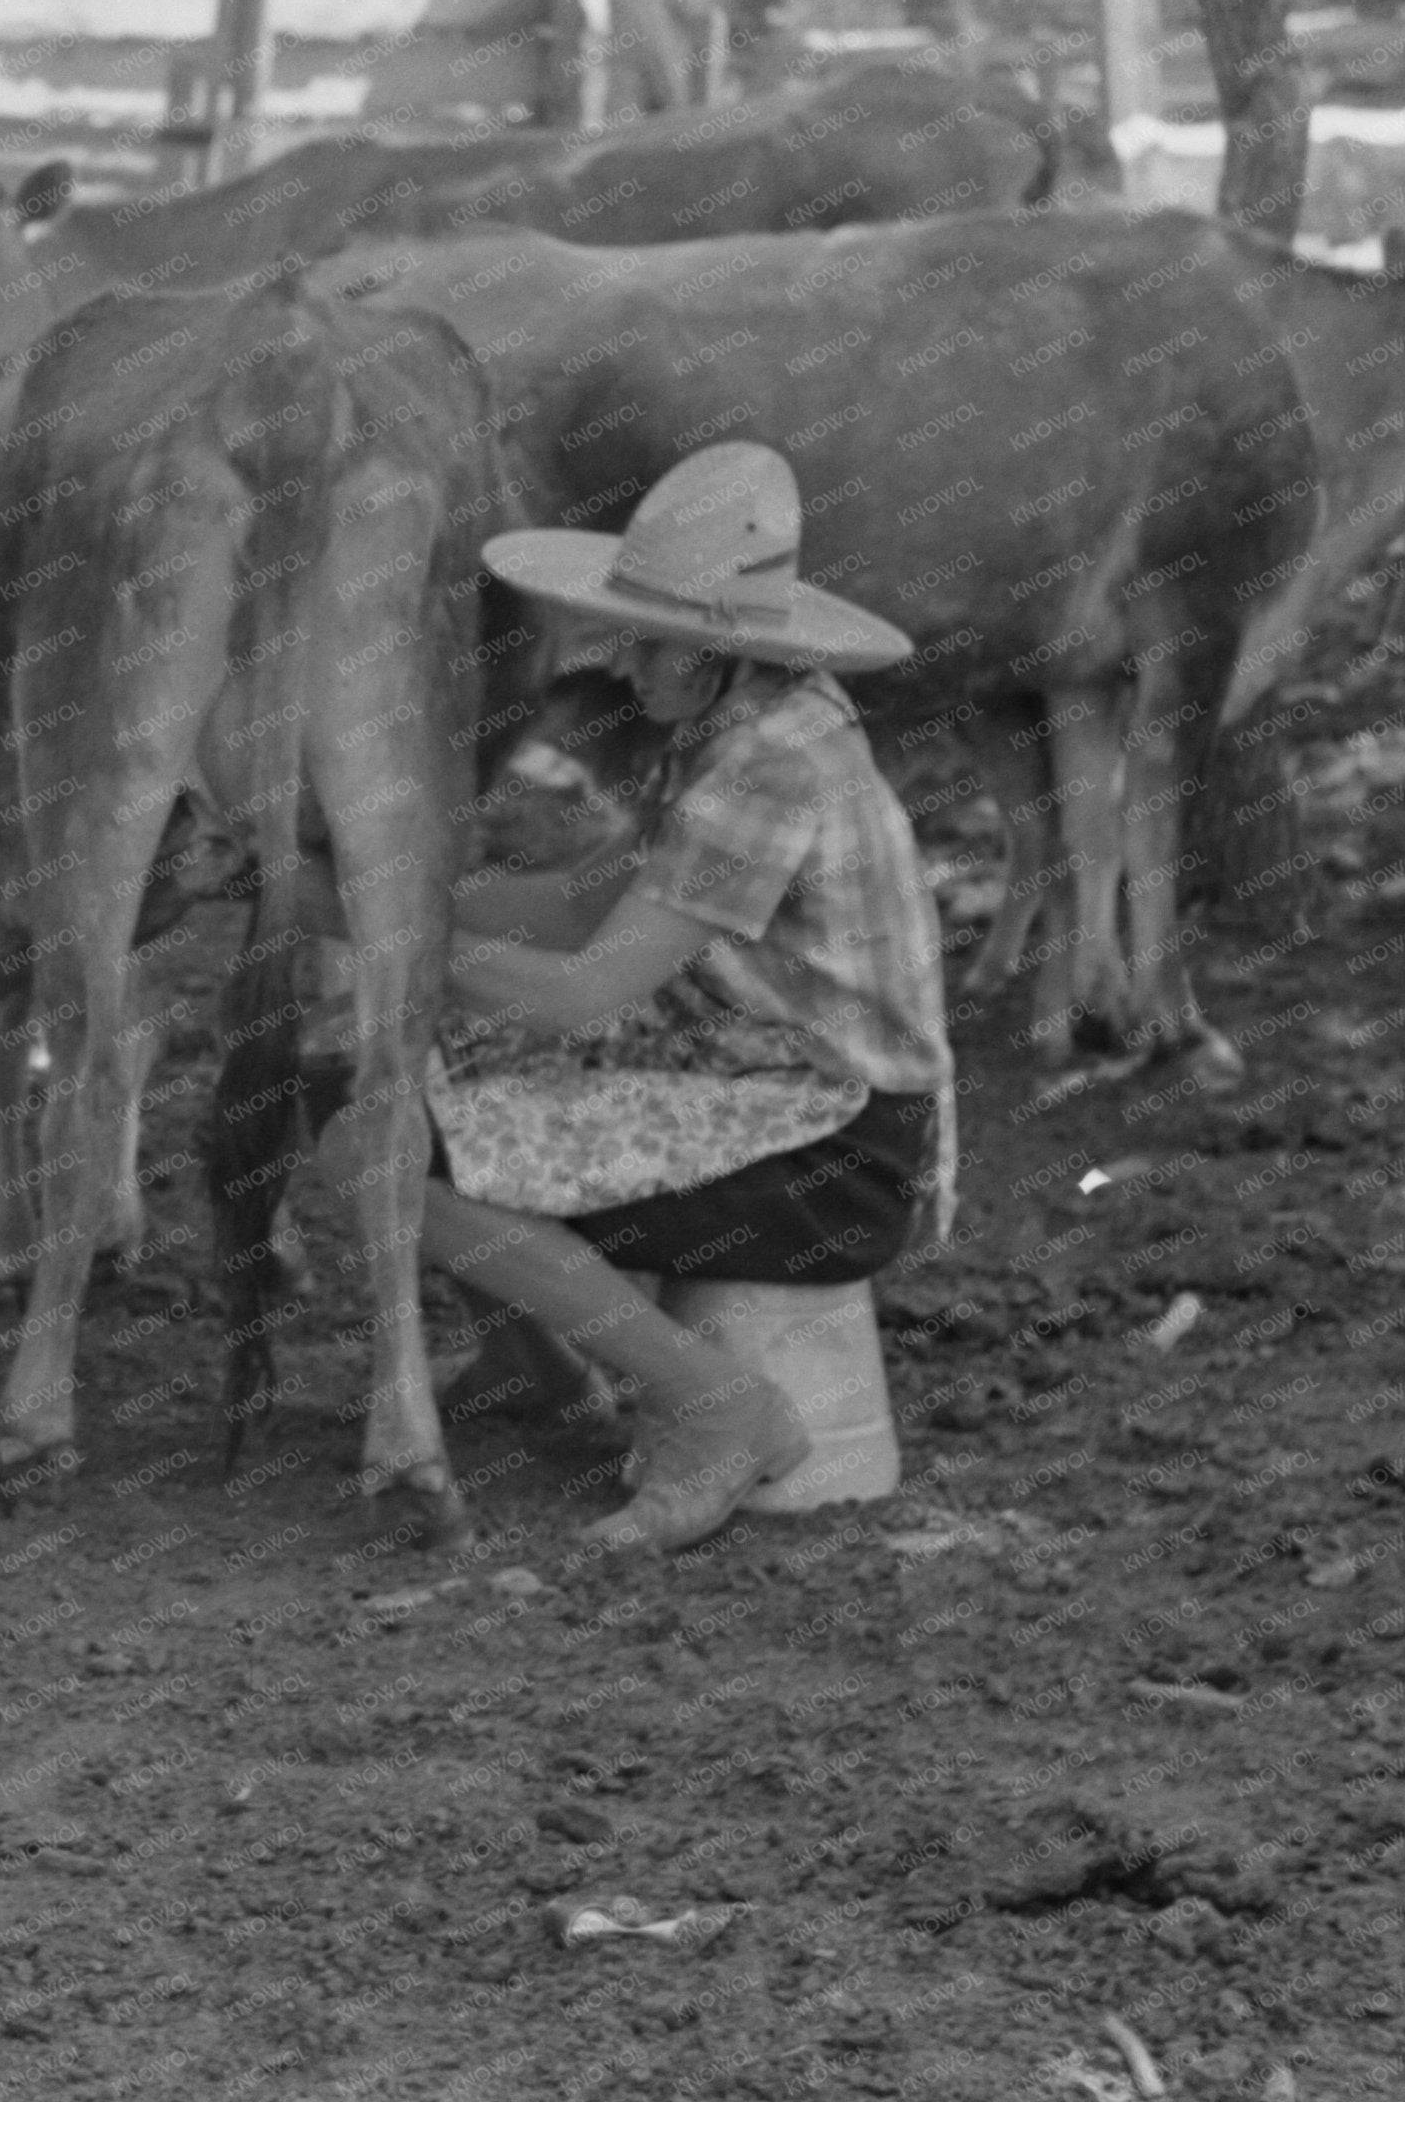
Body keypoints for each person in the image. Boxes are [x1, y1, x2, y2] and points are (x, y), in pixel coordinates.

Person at [343, 442, 956, 1553]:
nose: (620, 666)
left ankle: (717, 1405)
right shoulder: (753, 723)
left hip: (838, 1155)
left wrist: (395, 941)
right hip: (777, 1081)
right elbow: (589, 905)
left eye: (647, 642)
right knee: (410, 1088)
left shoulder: (762, 768)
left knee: (379, 1153)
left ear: (717, 649)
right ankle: (540, 1362)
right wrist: (394, 888)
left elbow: (583, 992)